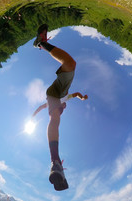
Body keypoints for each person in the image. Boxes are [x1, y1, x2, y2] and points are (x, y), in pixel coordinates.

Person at [33, 24, 88, 191]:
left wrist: (37, 112)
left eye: (64, 106)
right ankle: (41, 43)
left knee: (55, 116)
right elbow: (75, 94)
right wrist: (81, 97)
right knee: (70, 63)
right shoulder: (64, 98)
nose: (65, 105)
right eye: (64, 105)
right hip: (55, 93)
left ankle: (55, 162)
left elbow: (45, 106)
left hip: (53, 95)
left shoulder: (58, 105)